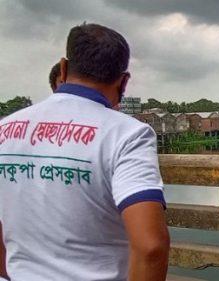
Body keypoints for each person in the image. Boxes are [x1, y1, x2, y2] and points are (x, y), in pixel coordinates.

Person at [0, 23, 170, 281]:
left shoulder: (5, 129)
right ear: (124, 82)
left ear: (64, 68)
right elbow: (150, 246)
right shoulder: (127, 134)